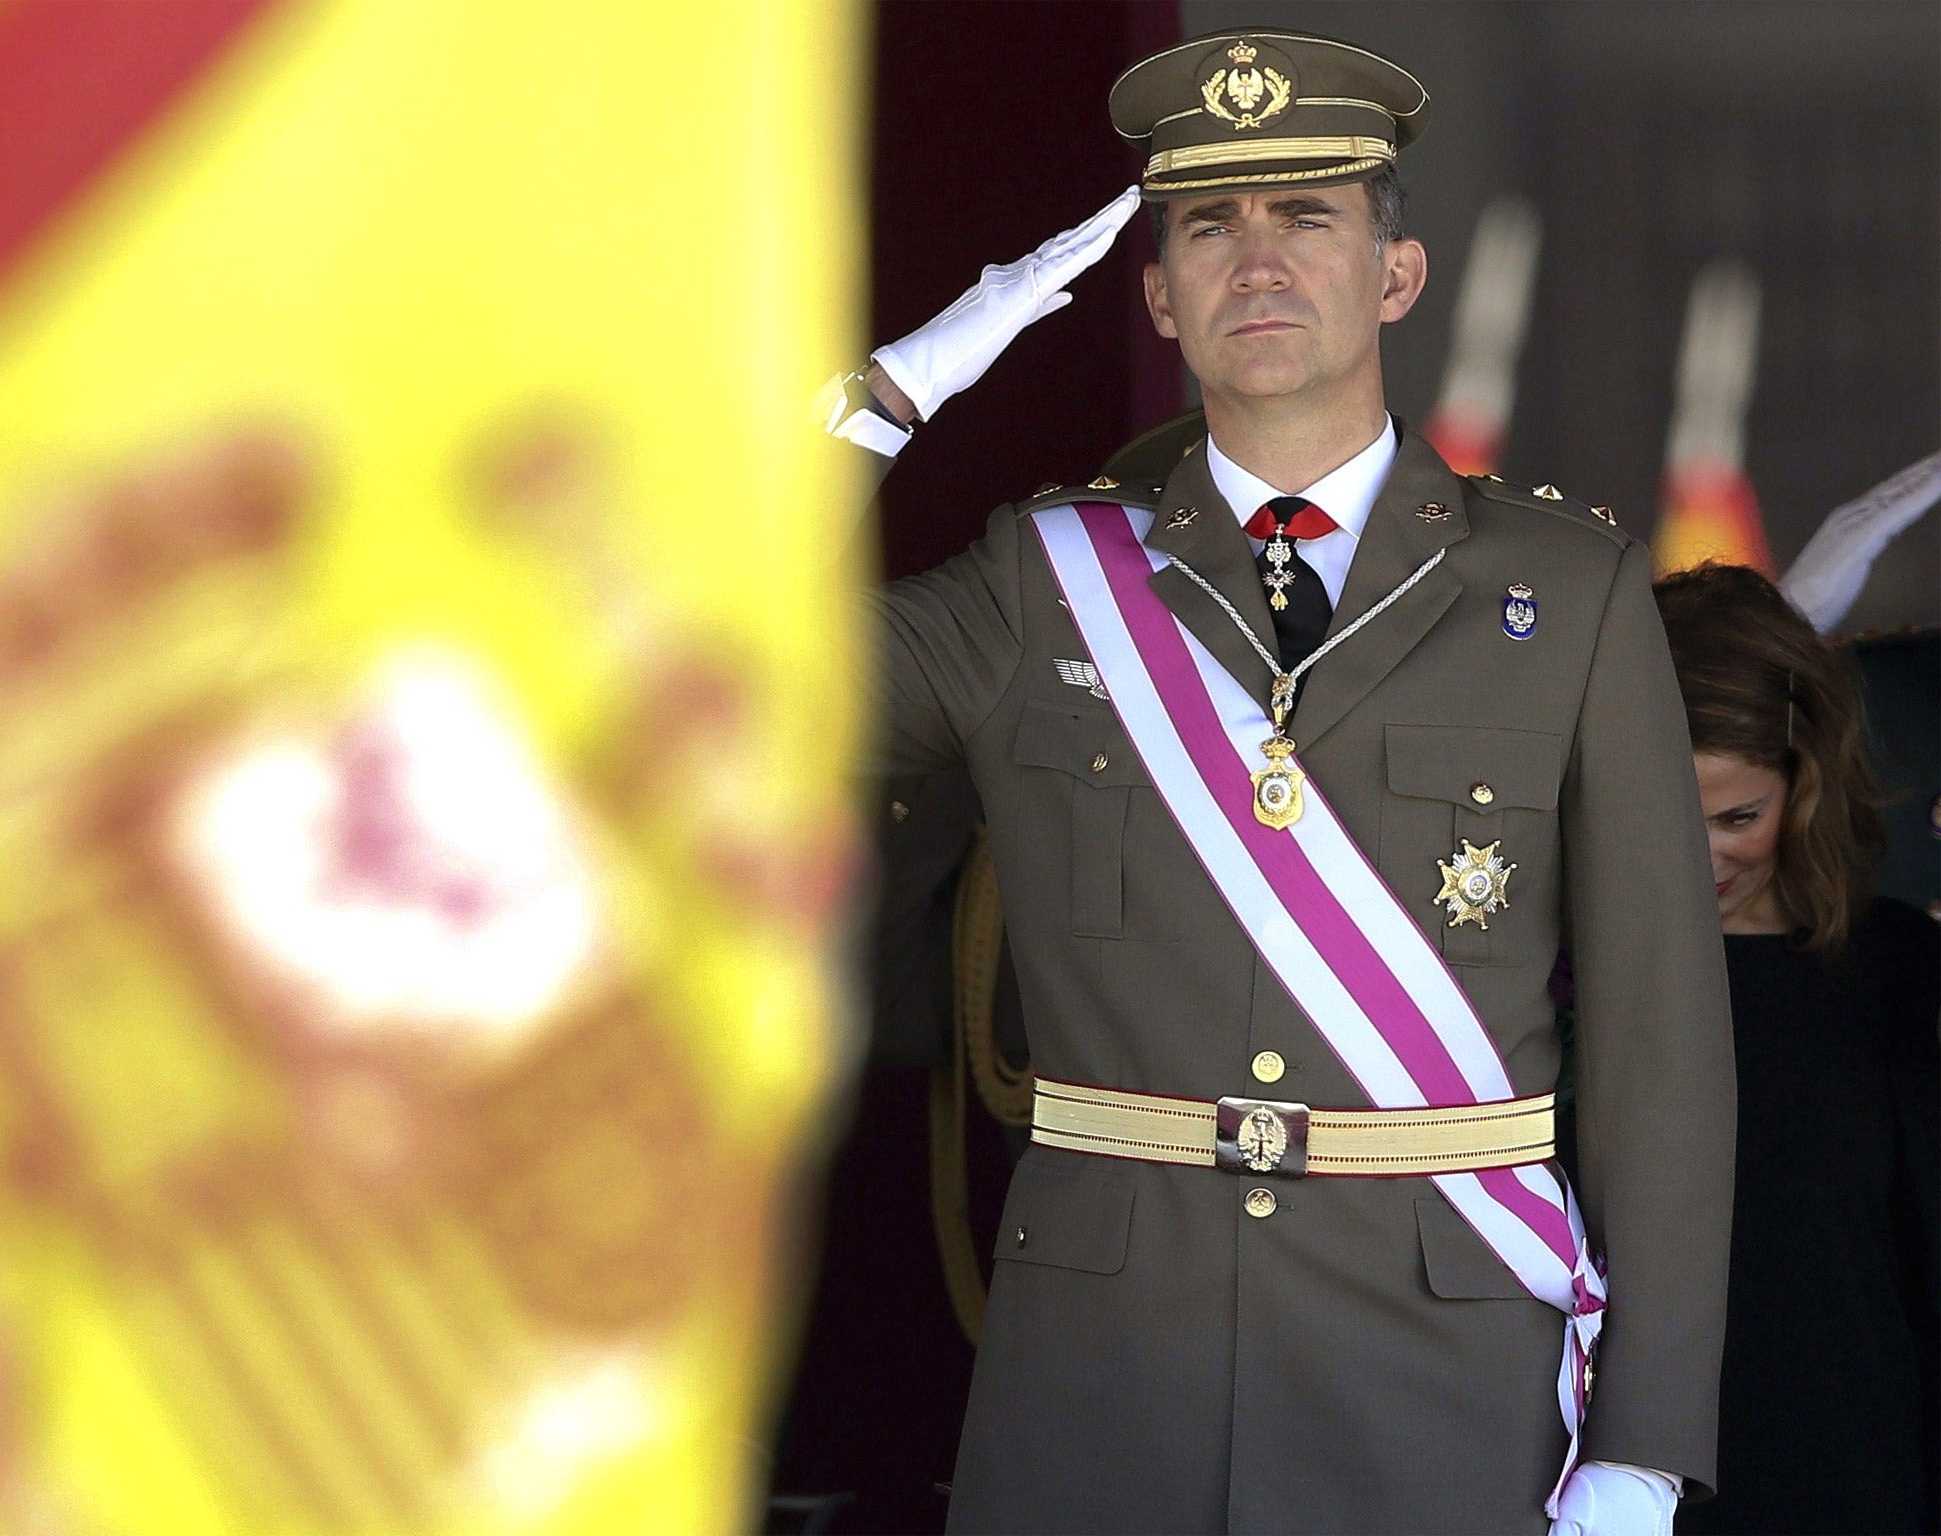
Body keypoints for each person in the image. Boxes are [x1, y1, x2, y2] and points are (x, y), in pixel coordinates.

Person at [823, 29, 1735, 1534]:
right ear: (1156, 295)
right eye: (1208, 226)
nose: (1257, 260)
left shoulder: (1567, 590)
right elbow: (699, 681)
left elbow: (1663, 1051)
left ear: (1397, 274)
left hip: (1441, 1370)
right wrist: (879, 404)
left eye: (1307, 213)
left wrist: (1644, 1440)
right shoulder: (1039, 584)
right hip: (1107, 1379)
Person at [1655, 563, 1940, 1536]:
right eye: (1663, 815)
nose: (1698, 861)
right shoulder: (1548, 988)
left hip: (1857, 1494)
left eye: (1738, 818)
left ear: (1805, 786)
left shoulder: (1899, 975)